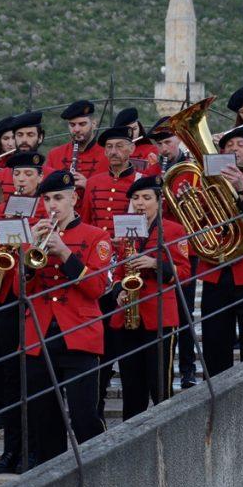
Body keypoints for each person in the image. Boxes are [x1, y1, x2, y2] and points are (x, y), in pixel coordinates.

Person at [23, 170, 111, 462]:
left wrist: (64, 253)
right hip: (40, 334)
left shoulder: (96, 236)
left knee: (85, 417)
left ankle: (98, 468)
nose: (52, 205)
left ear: (74, 198)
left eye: (58, 198)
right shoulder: (33, 236)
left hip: (79, 334)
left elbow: (97, 288)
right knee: (44, 421)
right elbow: (17, 290)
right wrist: (29, 256)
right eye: (47, 199)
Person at [0, 151, 46, 473]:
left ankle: (32, 449)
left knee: (29, 378)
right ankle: (10, 449)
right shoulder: (6, 207)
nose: (20, 179)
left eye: (27, 174)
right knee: (7, 373)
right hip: (5, 293)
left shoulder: (46, 209)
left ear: (39, 177)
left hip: (33, 297)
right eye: (17, 174)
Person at [110, 175, 190, 420]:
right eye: (136, 198)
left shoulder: (174, 230)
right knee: (132, 389)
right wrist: (119, 292)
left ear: (160, 201)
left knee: (160, 386)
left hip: (159, 317)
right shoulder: (126, 231)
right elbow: (117, 272)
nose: (140, 203)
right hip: (128, 316)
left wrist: (156, 263)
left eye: (146, 198)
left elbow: (185, 273)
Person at [196, 126, 243, 375]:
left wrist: (242, 188)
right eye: (229, 146)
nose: (233, 149)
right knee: (214, 344)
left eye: (240, 145)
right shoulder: (210, 180)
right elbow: (199, 220)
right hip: (217, 270)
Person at [80, 125, 140, 416]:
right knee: (98, 338)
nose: (113, 152)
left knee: (123, 340)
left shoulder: (143, 182)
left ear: (132, 149)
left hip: (127, 266)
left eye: (119, 146)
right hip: (99, 267)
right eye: (109, 147)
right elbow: (87, 222)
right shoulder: (94, 182)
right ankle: (95, 403)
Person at [145, 117, 198, 389]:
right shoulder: (152, 172)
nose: (164, 148)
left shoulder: (193, 169)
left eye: (168, 142)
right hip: (156, 246)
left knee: (185, 309)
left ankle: (188, 368)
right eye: (160, 144)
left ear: (178, 140)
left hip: (185, 245)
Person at [45, 99, 107, 186]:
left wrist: (88, 186)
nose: (76, 130)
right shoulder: (55, 154)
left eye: (82, 124)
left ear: (94, 124)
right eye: (72, 125)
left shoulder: (108, 154)